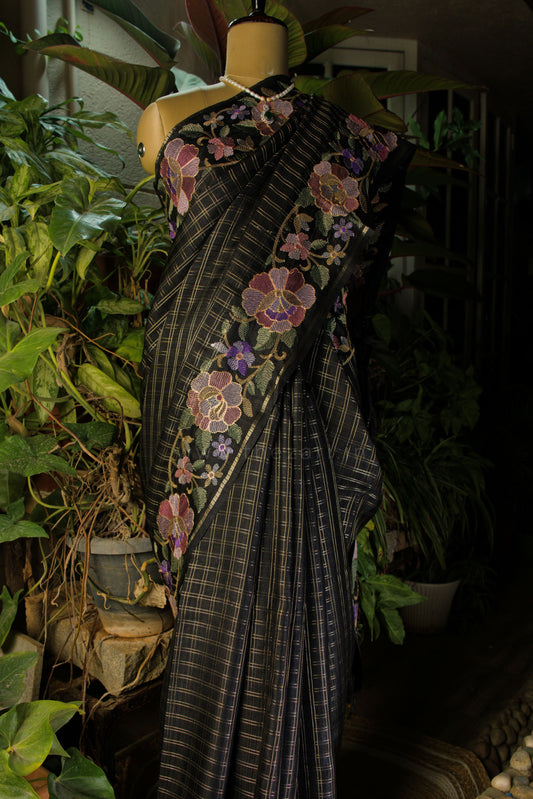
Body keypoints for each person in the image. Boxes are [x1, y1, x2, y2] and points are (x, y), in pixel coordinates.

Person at [137, 5, 413, 797]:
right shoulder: (166, 117)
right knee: (212, 625)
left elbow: (349, 304)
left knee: (296, 622)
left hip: (304, 417)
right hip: (198, 416)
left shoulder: (350, 139)